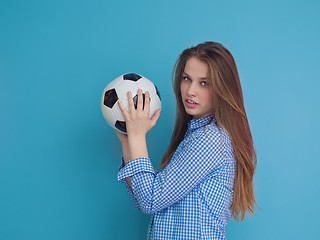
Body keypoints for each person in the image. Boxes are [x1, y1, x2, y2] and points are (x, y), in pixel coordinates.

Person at [115, 41, 257, 239]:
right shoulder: (196, 135)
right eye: (187, 79)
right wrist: (128, 141)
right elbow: (143, 196)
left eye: (204, 83)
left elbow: (150, 200)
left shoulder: (209, 140)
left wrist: (138, 137)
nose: (191, 91)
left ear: (222, 89)